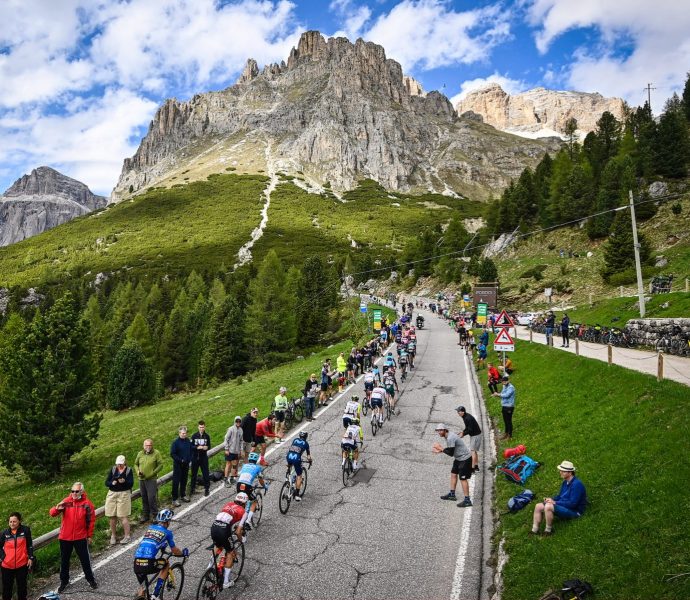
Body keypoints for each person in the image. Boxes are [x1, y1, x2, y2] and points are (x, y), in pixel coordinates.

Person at [49, 482, 97, 592]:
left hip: (80, 537)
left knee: (85, 560)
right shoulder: (66, 501)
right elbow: (52, 513)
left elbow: (91, 521)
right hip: (65, 537)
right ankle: (64, 582)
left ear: (82, 492)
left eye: (76, 491)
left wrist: (89, 535)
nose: (74, 493)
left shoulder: (87, 504)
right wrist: (57, 508)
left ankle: (90, 579)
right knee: (64, 561)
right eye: (72, 491)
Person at [133, 509, 188, 600]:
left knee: (143, 589)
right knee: (166, 564)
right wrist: (183, 554)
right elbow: (174, 550)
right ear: (168, 522)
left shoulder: (150, 528)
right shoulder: (168, 533)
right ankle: (155, 595)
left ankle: (141, 595)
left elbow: (152, 540)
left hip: (137, 563)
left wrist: (162, 545)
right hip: (149, 563)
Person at [531, 461, 587, 536]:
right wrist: (551, 499)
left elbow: (573, 504)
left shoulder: (577, 484)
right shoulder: (565, 482)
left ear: (570, 473)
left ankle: (548, 531)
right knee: (538, 506)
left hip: (575, 511)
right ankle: (534, 530)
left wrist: (555, 502)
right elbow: (560, 496)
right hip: (565, 507)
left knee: (548, 506)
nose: (560, 472)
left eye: (563, 471)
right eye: (560, 470)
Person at [210, 493, 249, 590]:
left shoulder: (228, 504)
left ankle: (209, 568)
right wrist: (241, 540)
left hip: (214, 527)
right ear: (245, 503)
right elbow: (238, 531)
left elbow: (225, 519)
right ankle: (226, 582)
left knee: (218, 546)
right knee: (230, 552)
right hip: (224, 530)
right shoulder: (244, 512)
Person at [432, 425, 472, 507]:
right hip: (458, 458)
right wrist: (441, 451)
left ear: (445, 430)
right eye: (438, 430)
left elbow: (450, 453)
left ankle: (467, 500)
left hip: (464, 459)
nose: (439, 432)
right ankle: (452, 494)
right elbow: (451, 449)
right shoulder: (447, 436)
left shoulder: (450, 437)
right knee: (453, 474)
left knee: (463, 479)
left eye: (440, 430)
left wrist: (440, 448)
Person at [1, 512, 34, 600]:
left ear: (19, 521)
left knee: (22, 589)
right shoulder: (4, 533)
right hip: (7, 566)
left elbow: (29, 545)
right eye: (10, 522)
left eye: (14, 521)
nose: (12, 524)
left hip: (22, 564)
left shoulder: (26, 530)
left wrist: (30, 557)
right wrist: (3, 557)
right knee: (7, 590)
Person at [105, 454, 134, 545]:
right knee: (112, 516)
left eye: (121, 464)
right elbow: (106, 482)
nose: (119, 465)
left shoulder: (128, 470)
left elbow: (131, 484)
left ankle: (127, 536)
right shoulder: (113, 469)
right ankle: (113, 536)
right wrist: (112, 483)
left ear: (124, 462)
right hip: (112, 493)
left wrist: (124, 482)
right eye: (118, 464)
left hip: (123, 494)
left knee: (123, 516)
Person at [236, 453, 268, 529]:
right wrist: (264, 486)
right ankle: (248, 521)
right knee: (254, 502)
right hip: (247, 486)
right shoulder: (258, 467)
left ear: (249, 459)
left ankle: (240, 516)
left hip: (239, 484)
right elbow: (260, 479)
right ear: (256, 460)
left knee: (242, 500)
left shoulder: (244, 465)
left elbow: (239, 474)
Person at [135, 439, 164, 524]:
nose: (148, 447)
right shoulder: (140, 453)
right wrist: (137, 472)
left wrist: (153, 473)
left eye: (149, 445)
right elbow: (135, 464)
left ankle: (155, 515)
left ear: (152, 445)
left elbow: (161, 465)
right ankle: (146, 515)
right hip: (142, 479)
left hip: (151, 479)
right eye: (146, 445)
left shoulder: (156, 453)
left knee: (151, 498)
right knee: (144, 498)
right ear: (143, 446)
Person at [285, 432, 312, 501]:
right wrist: (310, 461)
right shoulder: (306, 443)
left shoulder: (295, 439)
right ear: (306, 437)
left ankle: (287, 478)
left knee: (290, 465)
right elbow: (308, 456)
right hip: (296, 458)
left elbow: (293, 448)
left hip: (289, 456)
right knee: (299, 476)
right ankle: (297, 495)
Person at [170, 426, 192, 506]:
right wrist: (180, 460)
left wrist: (190, 459)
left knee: (184, 480)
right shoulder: (175, 443)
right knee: (176, 482)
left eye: (185, 433)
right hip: (178, 465)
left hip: (186, 465)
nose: (184, 435)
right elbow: (172, 454)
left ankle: (183, 495)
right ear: (179, 433)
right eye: (182, 433)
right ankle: (174, 499)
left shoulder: (188, 441)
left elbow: (190, 450)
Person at [455, 407, 482, 472]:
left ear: (463, 412)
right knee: (474, 451)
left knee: (473, 452)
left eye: (458, 412)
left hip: (475, 436)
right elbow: (467, 427)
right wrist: (463, 432)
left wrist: (463, 434)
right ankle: (476, 467)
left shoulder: (468, 418)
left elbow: (470, 429)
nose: (458, 413)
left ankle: (472, 469)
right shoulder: (465, 417)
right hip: (474, 435)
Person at [190, 421, 211, 497]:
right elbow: (191, 446)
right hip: (195, 458)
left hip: (203, 458)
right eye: (200, 427)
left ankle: (207, 489)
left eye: (203, 427)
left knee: (205, 473)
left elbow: (209, 446)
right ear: (198, 427)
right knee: (193, 474)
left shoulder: (207, 436)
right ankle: (192, 489)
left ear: (204, 427)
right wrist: (197, 447)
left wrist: (207, 447)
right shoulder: (194, 436)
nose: (201, 428)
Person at [224, 416, 244, 485]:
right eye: (237, 421)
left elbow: (241, 441)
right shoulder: (231, 429)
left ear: (240, 422)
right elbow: (226, 439)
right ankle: (225, 479)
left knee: (235, 464)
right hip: (229, 450)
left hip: (236, 451)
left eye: (239, 421)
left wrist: (241, 450)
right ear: (234, 421)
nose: (238, 422)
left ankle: (232, 478)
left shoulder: (241, 430)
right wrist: (226, 449)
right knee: (228, 464)